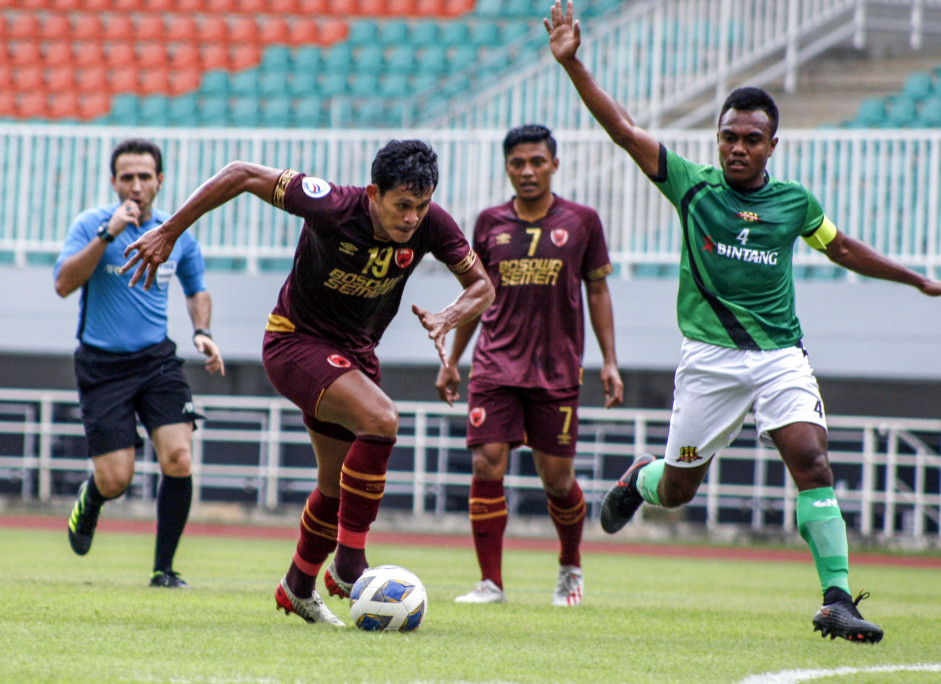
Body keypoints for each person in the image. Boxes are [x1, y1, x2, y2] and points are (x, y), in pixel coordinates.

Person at [546, 0, 941, 643]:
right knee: (680, 488)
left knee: (813, 461)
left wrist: (917, 280)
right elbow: (626, 131)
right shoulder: (691, 186)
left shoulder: (794, 201)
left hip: (780, 356)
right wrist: (574, 63)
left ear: (773, 144)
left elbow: (843, 248)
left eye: (751, 138)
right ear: (716, 139)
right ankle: (644, 477)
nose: (738, 147)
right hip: (710, 361)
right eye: (729, 136)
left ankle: (835, 599)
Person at [120, 139, 495, 626]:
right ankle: (349, 565)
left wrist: (451, 315)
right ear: (373, 193)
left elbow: (483, 286)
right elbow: (240, 173)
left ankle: (297, 586)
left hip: (354, 357)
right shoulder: (333, 204)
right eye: (402, 205)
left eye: (421, 206)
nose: (412, 218)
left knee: (334, 486)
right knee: (382, 418)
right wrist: (169, 232)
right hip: (295, 342)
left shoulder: (432, 223)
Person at [434, 124, 624, 607]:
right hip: (496, 365)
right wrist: (452, 360)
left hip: (556, 370)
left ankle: (569, 568)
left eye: (537, 161)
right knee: (485, 462)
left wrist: (610, 362)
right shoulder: (488, 222)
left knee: (557, 480)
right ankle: (491, 583)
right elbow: (475, 297)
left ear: (554, 165)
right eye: (518, 163)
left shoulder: (582, 222)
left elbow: (598, 292)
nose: (527, 171)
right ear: (507, 167)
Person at [54, 138, 225, 588]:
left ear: (159, 181)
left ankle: (163, 570)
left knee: (179, 457)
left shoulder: (178, 233)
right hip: (101, 364)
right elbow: (63, 284)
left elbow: (196, 288)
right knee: (116, 479)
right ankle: (91, 500)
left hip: (156, 362)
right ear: (113, 181)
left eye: (144, 177)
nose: (135, 185)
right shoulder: (91, 224)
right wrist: (107, 234)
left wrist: (203, 333)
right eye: (126, 177)